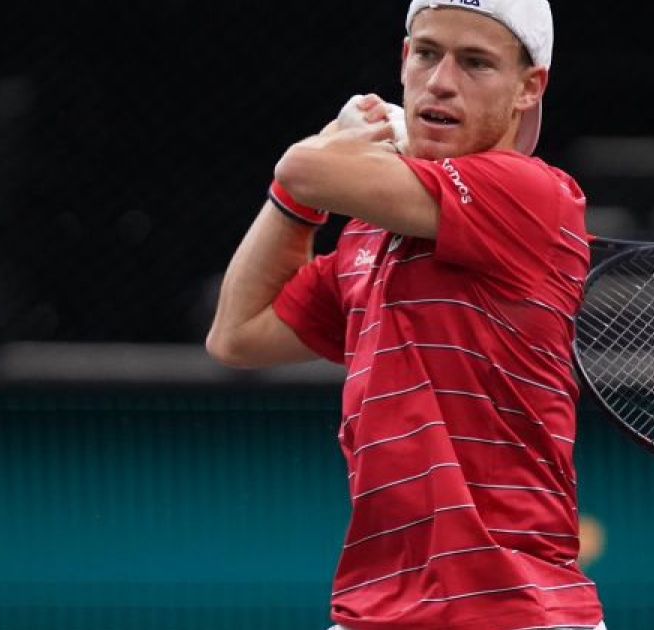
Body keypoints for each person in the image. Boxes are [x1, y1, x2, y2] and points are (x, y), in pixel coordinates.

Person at [206, 1, 606, 628]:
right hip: (373, 608)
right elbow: (238, 334)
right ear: (403, 60)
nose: (441, 81)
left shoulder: (534, 192)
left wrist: (334, 150)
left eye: (475, 63)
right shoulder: (367, 236)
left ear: (529, 88)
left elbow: (305, 166)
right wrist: (294, 199)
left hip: (519, 610)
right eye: (426, 54)